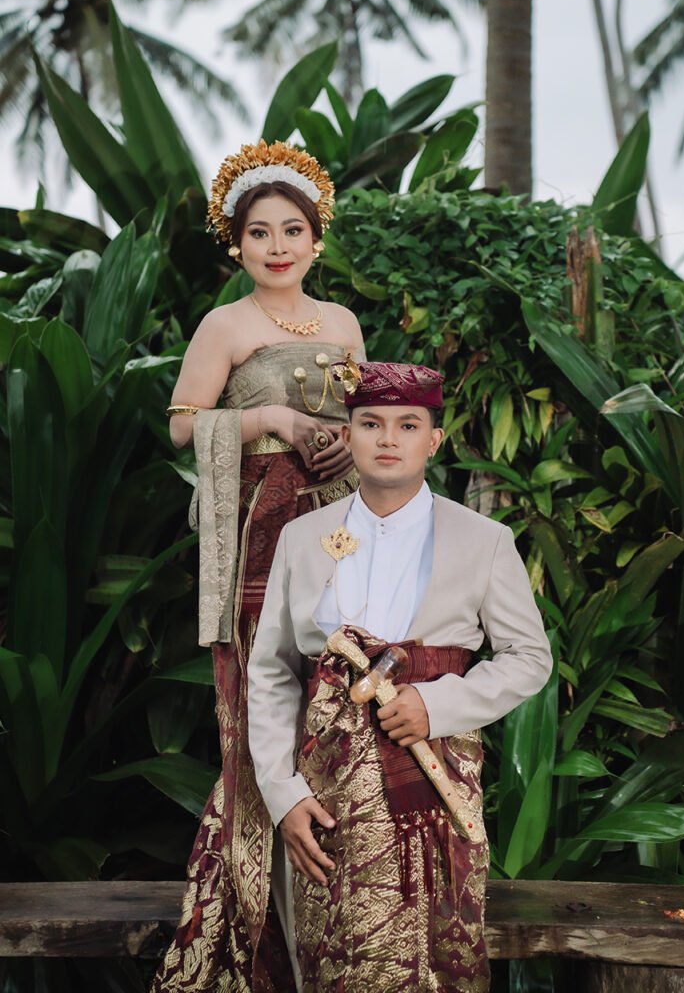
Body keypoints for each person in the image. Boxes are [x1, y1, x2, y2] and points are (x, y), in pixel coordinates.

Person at [247, 361, 552, 992]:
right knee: (334, 956)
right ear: (348, 435)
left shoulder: (485, 540)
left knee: (434, 959)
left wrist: (438, 705)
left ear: (433, 440)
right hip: (325, 795)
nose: (388, 438)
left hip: (433, 784)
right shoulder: (303, 538)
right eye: (371, 423)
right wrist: (283, 794)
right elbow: (273, 670)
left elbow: (529, 657)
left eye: (408, 425)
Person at [152, 141, 365, 993]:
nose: (277, 246)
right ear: (235, 244)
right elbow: (182, 424)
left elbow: (369, 417)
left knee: (346, 700)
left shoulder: (343, 322)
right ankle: (258, 931)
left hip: (343, 529)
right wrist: (274, 416)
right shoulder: (226, 326)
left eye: (292, 230)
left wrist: (349, 439)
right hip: (264, 537)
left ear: (317, 238)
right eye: (259, 233)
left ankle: (346, 920)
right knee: (269, 707)